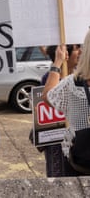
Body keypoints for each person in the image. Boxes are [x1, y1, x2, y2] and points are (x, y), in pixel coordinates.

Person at [43, 40, 90, 176]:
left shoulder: (72, 83)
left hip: (81, 158)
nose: (79, 51)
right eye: (77, 48)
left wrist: (57, 62)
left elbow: (48, 96)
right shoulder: (73, 82)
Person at [37, 44, 81, 177]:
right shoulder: (49, 78)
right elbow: (48, 97)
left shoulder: (81, 76)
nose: (81, 51)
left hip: (79, 140)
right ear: (66, 54)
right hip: (57, 142)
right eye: (76, 48)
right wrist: (58, 62)